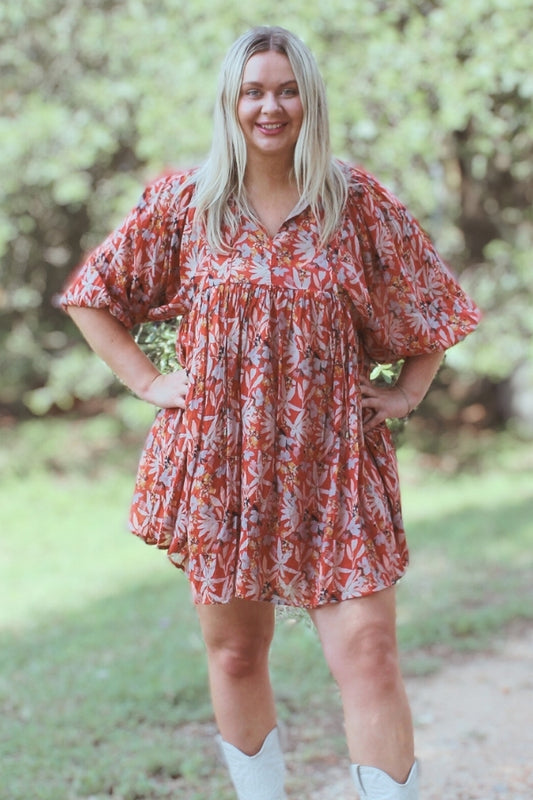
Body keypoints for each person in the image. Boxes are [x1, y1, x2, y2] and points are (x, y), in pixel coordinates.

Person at [60, 25, 480, 800]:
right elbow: (94, 297)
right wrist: (150, 383)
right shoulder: (185, 201)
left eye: (286, 89)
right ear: (230, 101)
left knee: (370, 650)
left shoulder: (352, 200)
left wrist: (409, 390)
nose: (270, 105)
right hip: (226, 464)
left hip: (335, 463)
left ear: (308, 99)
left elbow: (433, 300)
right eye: (253, 90)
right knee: (235, 655)